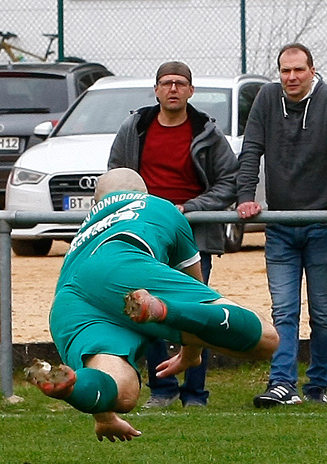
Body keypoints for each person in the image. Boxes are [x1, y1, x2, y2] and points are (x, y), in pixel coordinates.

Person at [26, 168, 277, 442]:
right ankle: (163, 309)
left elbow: (90, 278)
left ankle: (67, 388)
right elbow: (197, 287)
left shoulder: (85, 230)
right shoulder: (157, 206)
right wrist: (191, 353)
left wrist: (103, 413)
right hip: (120, 263)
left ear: (97, 203)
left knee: (123, 394)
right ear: (142, 192)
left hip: (68, 301)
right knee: (267, 340)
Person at [236, 43, 327, 408]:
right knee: (284, 311)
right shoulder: (266, 99)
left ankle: (318, 385)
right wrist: (245, 195)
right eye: (284, 71)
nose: (291, 77)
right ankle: (281, 383)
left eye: (298, 70)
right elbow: (250, 151)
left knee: (322, 311)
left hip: (322, 224)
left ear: (312, 70)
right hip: (280, 224)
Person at [108, 61, 239, 409]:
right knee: (147, 311)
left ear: (191, 90)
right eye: (166, 83)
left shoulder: (207, 132)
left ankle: (195, 394)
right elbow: (116, 174)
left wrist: (192, 207)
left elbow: (229, 181)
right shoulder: (135, 128)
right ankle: (162, 390)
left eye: (180, 83)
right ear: (156, 89)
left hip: (192, 233)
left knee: (196, 311)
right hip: (145, 233)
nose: (173, 89)